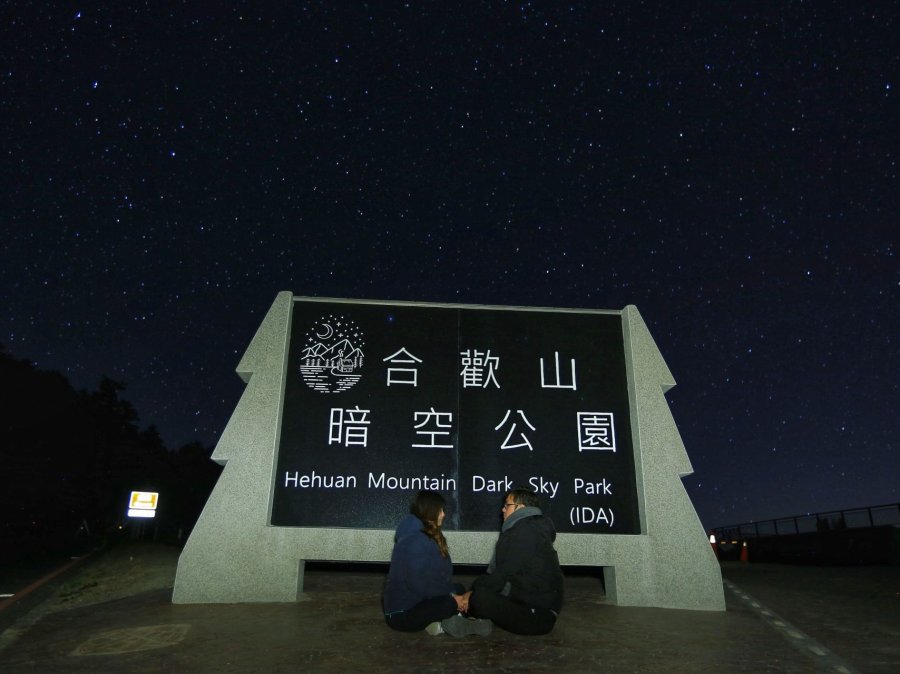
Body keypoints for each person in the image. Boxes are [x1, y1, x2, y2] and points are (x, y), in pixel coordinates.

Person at [463, 488, 564, 635]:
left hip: (537, 615)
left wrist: (472, 594)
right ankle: (477, 622)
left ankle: (471, 620)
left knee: (480, 598)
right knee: (473, 592)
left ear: (521, 507)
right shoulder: (530, 528)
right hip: (531, 605)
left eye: (507, 505)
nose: (502, 510)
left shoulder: (525, 533)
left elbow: (502, 575)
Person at [383, 490, 472, 634]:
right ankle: (447, 621)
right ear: (430, 510)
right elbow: (417, 583)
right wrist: (452, 598)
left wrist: (453, 593)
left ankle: (439, 621)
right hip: (401, 614)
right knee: (449, 602)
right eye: (440, 510)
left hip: (419, 601)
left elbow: (439, 577)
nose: (443, 514)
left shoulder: (429, 536)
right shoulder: (413, 541)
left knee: (459, 589)